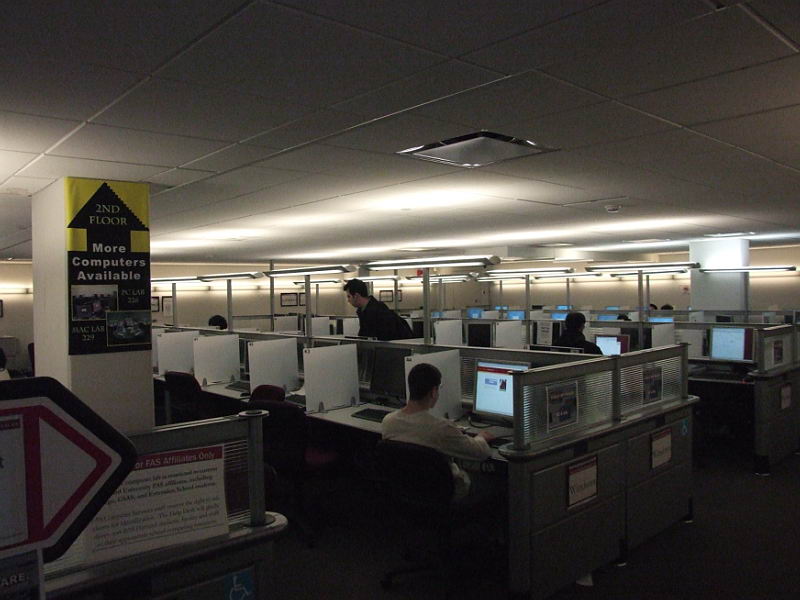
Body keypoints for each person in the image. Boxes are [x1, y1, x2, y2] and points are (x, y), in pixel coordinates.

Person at [382, 363, 493, 500]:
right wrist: (481, 437)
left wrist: (452, 432)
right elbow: (481, 453)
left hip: (406, 491)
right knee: (493, 484)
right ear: (433, 392)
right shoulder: (441, 428)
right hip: (446, 493)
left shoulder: (388, 421)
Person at [343, 278, 413, 341]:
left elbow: (384, 336)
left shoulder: (378, 311)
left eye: (349, 296)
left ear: (356, 296)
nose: (348, 300)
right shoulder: (363, 311)